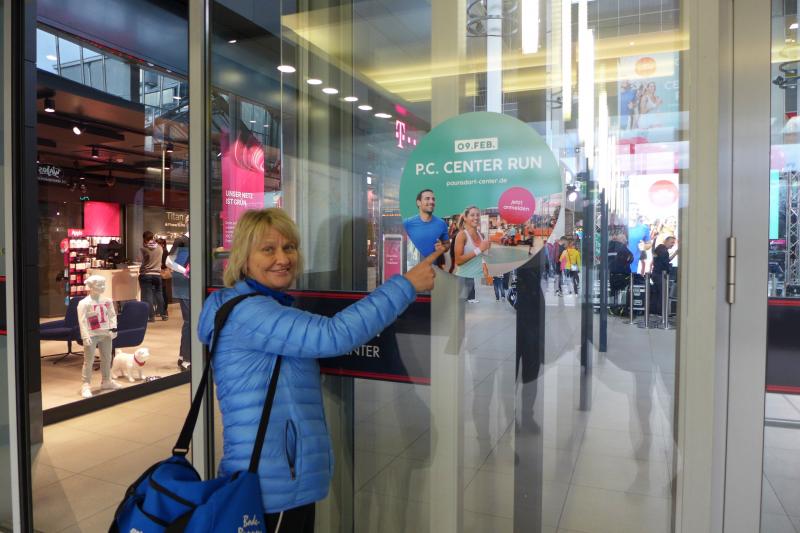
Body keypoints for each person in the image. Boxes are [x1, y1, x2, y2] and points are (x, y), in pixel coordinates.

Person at [198, 208, 443, 532]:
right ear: (244, 259)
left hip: (278, 478)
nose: (282, 258)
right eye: (268, 249)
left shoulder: (266, 305)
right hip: (270, 487)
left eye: (289, 247)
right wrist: (406, 285)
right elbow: (332, 335)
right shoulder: (251, 313)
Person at [166, 217, 191, 371]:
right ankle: (187, 359)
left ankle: (183, 355)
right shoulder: (181, 241)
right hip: (183, 285)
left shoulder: (198, 239)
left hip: (192, 285)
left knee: (190, 321)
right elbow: (169, 262)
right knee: (190, 321)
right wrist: (185, 271)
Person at [453, 205, 491, 303]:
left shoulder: (481, 235)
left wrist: (485, 268)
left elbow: (481, 257)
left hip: (476, 279)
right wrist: (479, 249)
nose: (476, 217)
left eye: (478, 215)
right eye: (472, 215)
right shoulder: (461, 235)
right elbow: (458, 261)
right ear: (465, 218)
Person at [403, 189, 450, 263]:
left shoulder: (441, 223)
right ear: (418, 203)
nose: (431, 202)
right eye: (427, 199)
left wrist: (443, 248)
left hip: (433, 268)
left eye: (433, 199)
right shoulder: (407, 223)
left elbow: (447, 244)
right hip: (413, 268)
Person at [139, 230, 167, 322]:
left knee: (148, 296)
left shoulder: (143, 248)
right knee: (159, 294)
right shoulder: (160, 248)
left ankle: (151, 317)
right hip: (157, 275)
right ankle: (164, 314)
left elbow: (139, 260)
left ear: (144, 238)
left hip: (146, 274)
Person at [651, 236, 676, 314]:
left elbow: (664, 260)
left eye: (674, 243)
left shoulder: (659, 248)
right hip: (660, 274)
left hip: (655, 273)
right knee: (662, 293)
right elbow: (665, 263)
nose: (673, 244)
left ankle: (654, 311)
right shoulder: (664, 251)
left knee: (657, 293)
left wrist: (675, 253)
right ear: (666, 241)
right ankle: (660, 312)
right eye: (671, 242)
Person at [157, 238, 171, 318]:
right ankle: (161, 309)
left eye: (158, 244)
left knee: (163, 291)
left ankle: (164, 309)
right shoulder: (160, 251)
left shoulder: (164, 251)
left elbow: (165, 264)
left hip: (162, 273)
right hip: (159, 272)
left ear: (162, 244)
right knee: (160, 291)